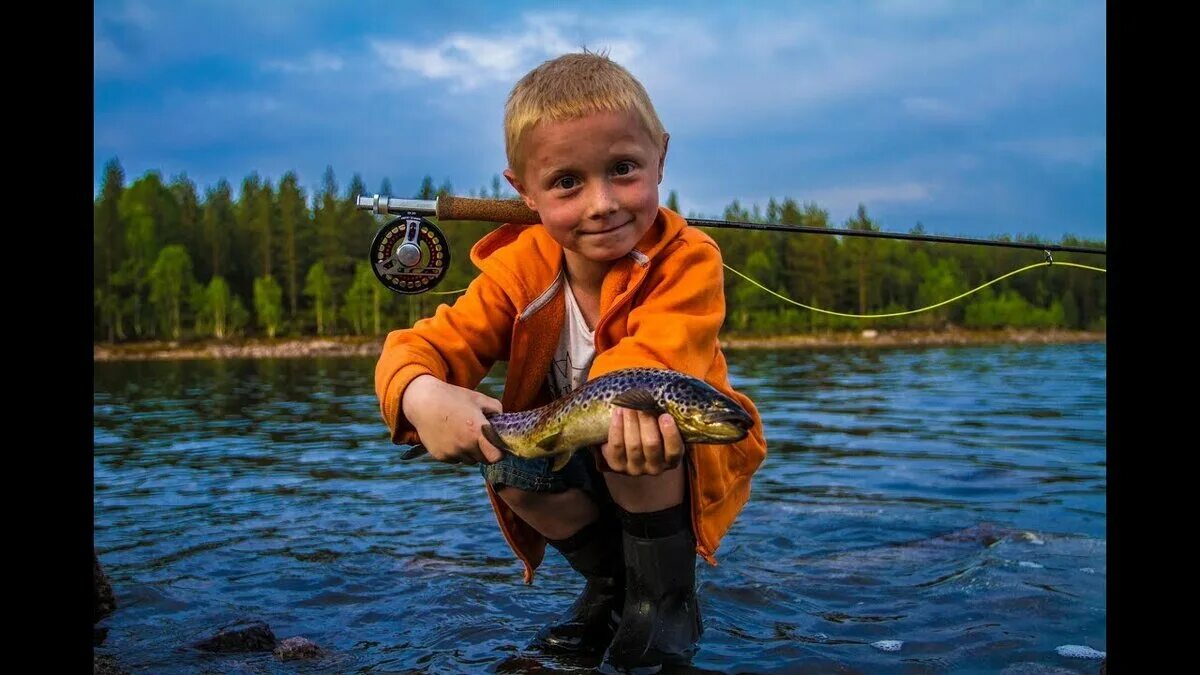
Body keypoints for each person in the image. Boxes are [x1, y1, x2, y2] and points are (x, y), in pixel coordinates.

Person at [374, 50, 767, 673]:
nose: (601, 203)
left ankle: (664, 600)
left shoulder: (688, 261)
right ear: (523, 192)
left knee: (637, 432)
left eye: (623, 169)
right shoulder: (516, 273)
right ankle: (613, 590)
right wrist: (423, 396)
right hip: (566, 448)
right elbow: (415, 349)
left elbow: (649, 363)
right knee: (507, 466)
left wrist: (609, 412)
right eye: (567, 182)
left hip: (668, 460)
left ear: (661, 156)